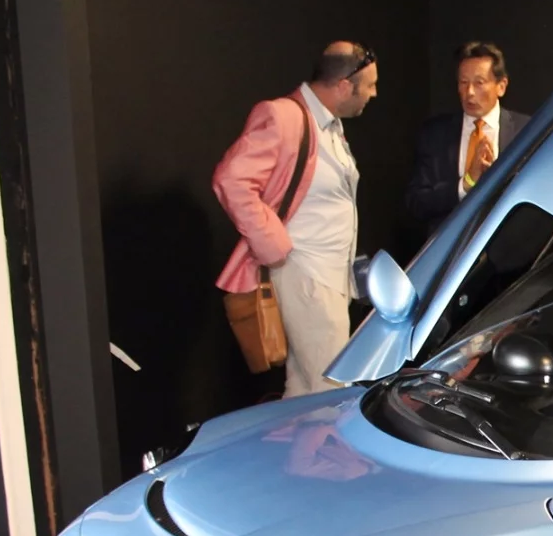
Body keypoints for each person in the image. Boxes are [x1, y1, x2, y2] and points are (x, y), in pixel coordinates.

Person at [214, 41, 378, 398]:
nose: (374, 93)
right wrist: (275, 247)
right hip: (306, 273)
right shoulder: (283, 116)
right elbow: (232, 180)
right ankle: (329, 457)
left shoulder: (329, 125)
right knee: (332, 391)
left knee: (305, 390)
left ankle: (297, 454)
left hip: (329, 278)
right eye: (369, 86)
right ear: (344, 85)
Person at [404, 42, 531, 232]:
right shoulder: (435, 134)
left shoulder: (525, 131)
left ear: (501, 86)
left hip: (509, 252)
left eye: (479, 83)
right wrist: (465, 184)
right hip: (450, 252)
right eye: (463, 83)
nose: (469, 92)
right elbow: (416, 203)